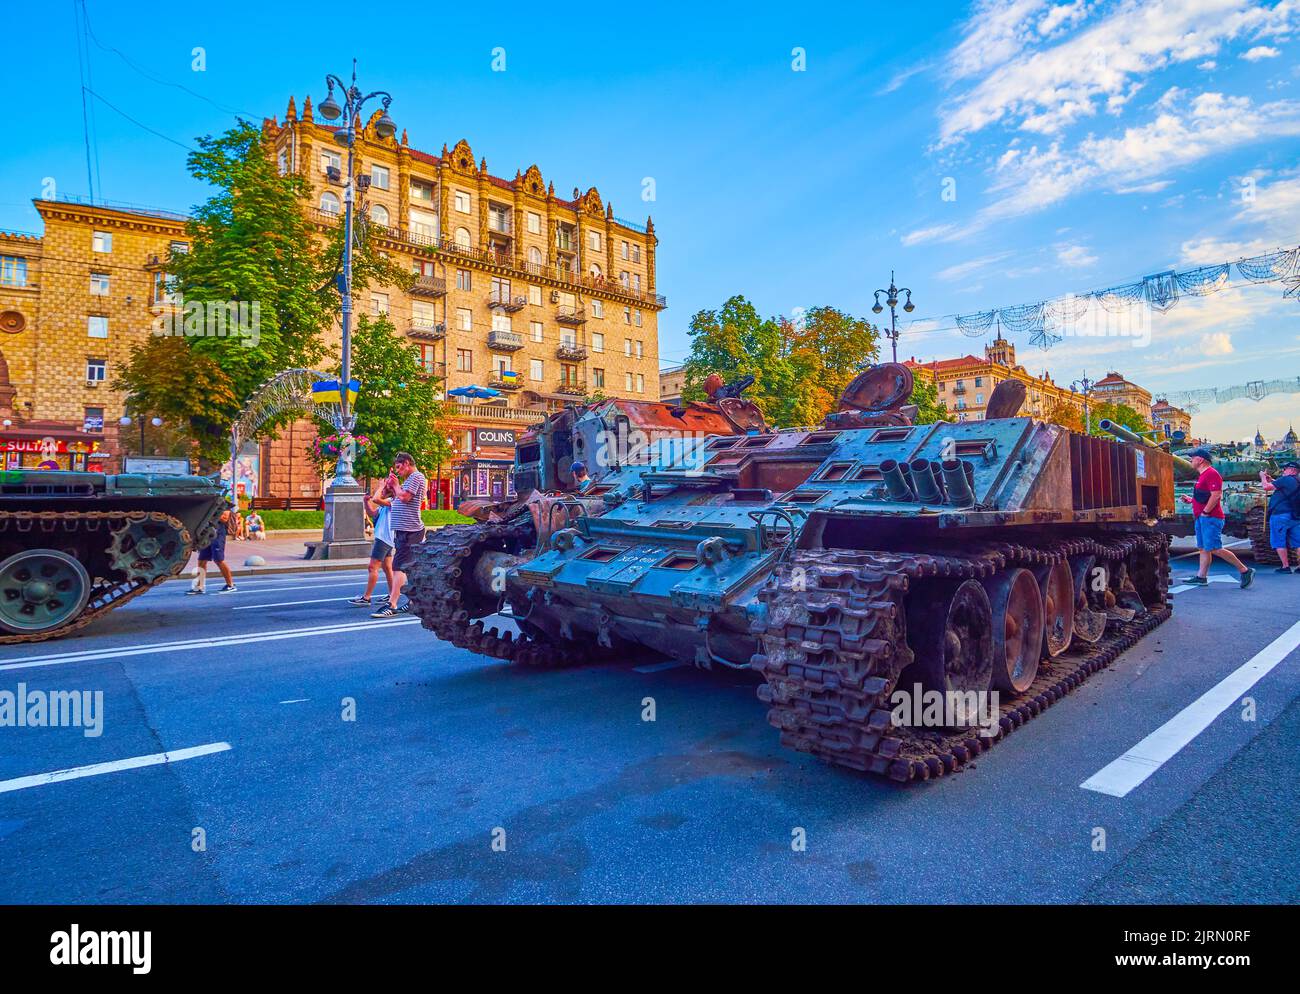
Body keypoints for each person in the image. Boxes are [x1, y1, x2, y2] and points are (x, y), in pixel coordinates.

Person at [1181, 447, 1254, 588]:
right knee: (1203, 548)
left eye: (1192, 458)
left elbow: (1216, 495)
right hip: (1203, 518)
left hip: (1210, 518)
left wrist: (1206, 512)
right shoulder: (1203, 475)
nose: (1190, 460)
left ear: (1200, 460)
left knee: (1214, 548)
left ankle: (1245, 570)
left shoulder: (1211, 474)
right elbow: (1206, 495)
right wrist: (1191, 500)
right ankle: (1201, 577)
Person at [372, 452, 427, 618]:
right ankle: (412, 602)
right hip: (404, 531)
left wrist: (396, 486)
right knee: (408, 568)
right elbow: (383, 498)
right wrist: (389, 486)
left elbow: (404, 498)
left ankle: (392, 604)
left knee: (398, 567)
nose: (398, 471)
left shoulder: (417, 477)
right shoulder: (408, 481)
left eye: (399, 467)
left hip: (410, 530)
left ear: (407, 463)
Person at [351, 478, 396, 607]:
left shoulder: (394, 501)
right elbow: (372, 513)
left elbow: (376, 499)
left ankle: (366, 597)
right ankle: (392, 594)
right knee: (387, 568)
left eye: (385, 488)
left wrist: (381, 486)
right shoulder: (386, 503)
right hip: (385, 538)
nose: (382, 491)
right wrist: (366, 502)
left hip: (384, 539)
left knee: (372, 567)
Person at [188, 500, 237, 595]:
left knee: (219, 560)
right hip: (206, 535)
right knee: (202, 560)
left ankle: (230, 585)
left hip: (218, 534)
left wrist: (209, 515)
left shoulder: (225, 504)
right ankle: (200, 587)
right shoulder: (208, 503)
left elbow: (225, 518)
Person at [1259, 460, 1300, 573]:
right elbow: (1284, 487)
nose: (1283, 471)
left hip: (1281, 515)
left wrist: (1262, 477)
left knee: (1279, 540)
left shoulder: (1285, 479)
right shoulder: (1296, 480)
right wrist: (1272, 480)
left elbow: (1266, 487)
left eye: (1285, 469)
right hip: (1296, 516)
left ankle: (1285, 566)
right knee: (1298, 542)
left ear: (1291, 470)